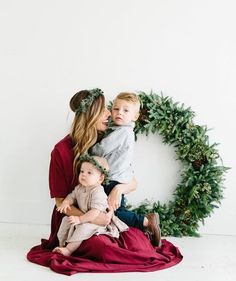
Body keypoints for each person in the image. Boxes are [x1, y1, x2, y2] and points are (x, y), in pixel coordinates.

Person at [27, 88, 182, 275]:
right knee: (104, 248)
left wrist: (117, 190)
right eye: (104, 110)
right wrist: (93, 217)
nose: (110, 113)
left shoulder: (108, 141)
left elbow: (132, 183)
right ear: (91, 114)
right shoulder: (62, 150)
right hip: (75, 217)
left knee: (137, 244)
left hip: (105, 212)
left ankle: (140, 229)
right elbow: (61, 202)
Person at [91, 92, 161, 246]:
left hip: (113, 180)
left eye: (125, 110)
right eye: (116, 109)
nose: (119, 113)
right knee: (112, 210)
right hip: (116, 177)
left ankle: (147, 222)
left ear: (135, 116)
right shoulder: (119, 130)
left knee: (115, 211)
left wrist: (90, 149)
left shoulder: (123, 132)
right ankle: (144, 230)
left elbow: (101, 150)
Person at [53, 154, 128, 256]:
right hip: (85, 216)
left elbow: (94, 213)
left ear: (100, 178)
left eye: (89, 173)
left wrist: (79, 220)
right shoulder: (80, 187)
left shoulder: (98, 192)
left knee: (83, 228)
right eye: (82, 171)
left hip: (97, 222)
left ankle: (69, 250)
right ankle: (61, 243)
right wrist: (66, 202)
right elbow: (72, 196)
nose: (84, 175)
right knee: (66, 220)